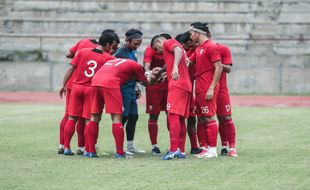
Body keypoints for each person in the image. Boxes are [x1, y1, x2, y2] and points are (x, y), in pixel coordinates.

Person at [57, 29, 119, 155]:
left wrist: (63, 85)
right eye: (112, 46)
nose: (112, 49)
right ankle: (88, 150)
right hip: (91, 90)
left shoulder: (82, 52)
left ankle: (67, 148)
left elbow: (70, 69)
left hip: (77, 87)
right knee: (89, 120)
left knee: (71, 118)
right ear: (107, 44)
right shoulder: (109, 58)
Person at [84, 58, 158, 158]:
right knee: (117, 117)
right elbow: (146, 83)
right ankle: (120, 153)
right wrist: (155, 78)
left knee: (94, 117)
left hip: (95, 82)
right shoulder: (137, 67)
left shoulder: (119, 61)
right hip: (110, 83)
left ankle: (90, 151)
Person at [151, 36, 192, 160]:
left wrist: (174, 67)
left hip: (177, 84)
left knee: (172, 115)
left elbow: (177, 52)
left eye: (156, 48)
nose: (158, 52)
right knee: (180, 118)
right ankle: (181, 150)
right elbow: (184, 61)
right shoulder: (176, 49)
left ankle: (174, 149)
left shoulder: (168, 42)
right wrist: (164, 72)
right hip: (185, 84)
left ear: (159, 41)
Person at [188, 22, 223, 158]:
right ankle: (205, 148)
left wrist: (211, 88)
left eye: (191, 33)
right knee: (201, 118)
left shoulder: (211, 46)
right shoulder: (199, 48)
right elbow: (187, 62)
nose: (190, 36)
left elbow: (219, 68)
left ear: (198, 33)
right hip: (199, 86)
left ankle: (212, 150)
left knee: (208, 117)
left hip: (207, 86)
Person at [114, 28, 145, 155]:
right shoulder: (121, 53)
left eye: (139, 43)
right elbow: (132, 71)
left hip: (131, 89)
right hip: (123, 89)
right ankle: (120, 148)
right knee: (123, 118)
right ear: (127, 40)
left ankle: (130, 146)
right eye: (135, 43)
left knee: (134, 117)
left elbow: (135, 71)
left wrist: (137, 87)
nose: (137, 46)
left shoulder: (134, 51)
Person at [143, 34, 172, 155]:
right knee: (153, 116)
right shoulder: (150, 49)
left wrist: (164, 73)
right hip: (154, 87)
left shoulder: (170, 49)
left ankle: (173, 144)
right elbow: (147, 64)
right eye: (156, 49)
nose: (158, 51)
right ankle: (154, 146)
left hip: (167, 86)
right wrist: (149, 73)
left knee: (170, 114)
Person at [175, 32, 201, 154]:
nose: (193, 45)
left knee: (192, 118)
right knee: (177, 119)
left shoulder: (195, 53)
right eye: (190, 44)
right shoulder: (179, 54)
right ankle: (178, 147)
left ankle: (194, 146)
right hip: (178, 90)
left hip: (190, 91)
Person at [216, 43, 238, 157]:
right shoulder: (197, 50)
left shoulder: (222, 49)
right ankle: (221, 146)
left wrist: (216, 63)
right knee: (205, 119)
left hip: (221, 90)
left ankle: (231, 147)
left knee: (225, 117)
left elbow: (228, 68)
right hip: (204, 88)